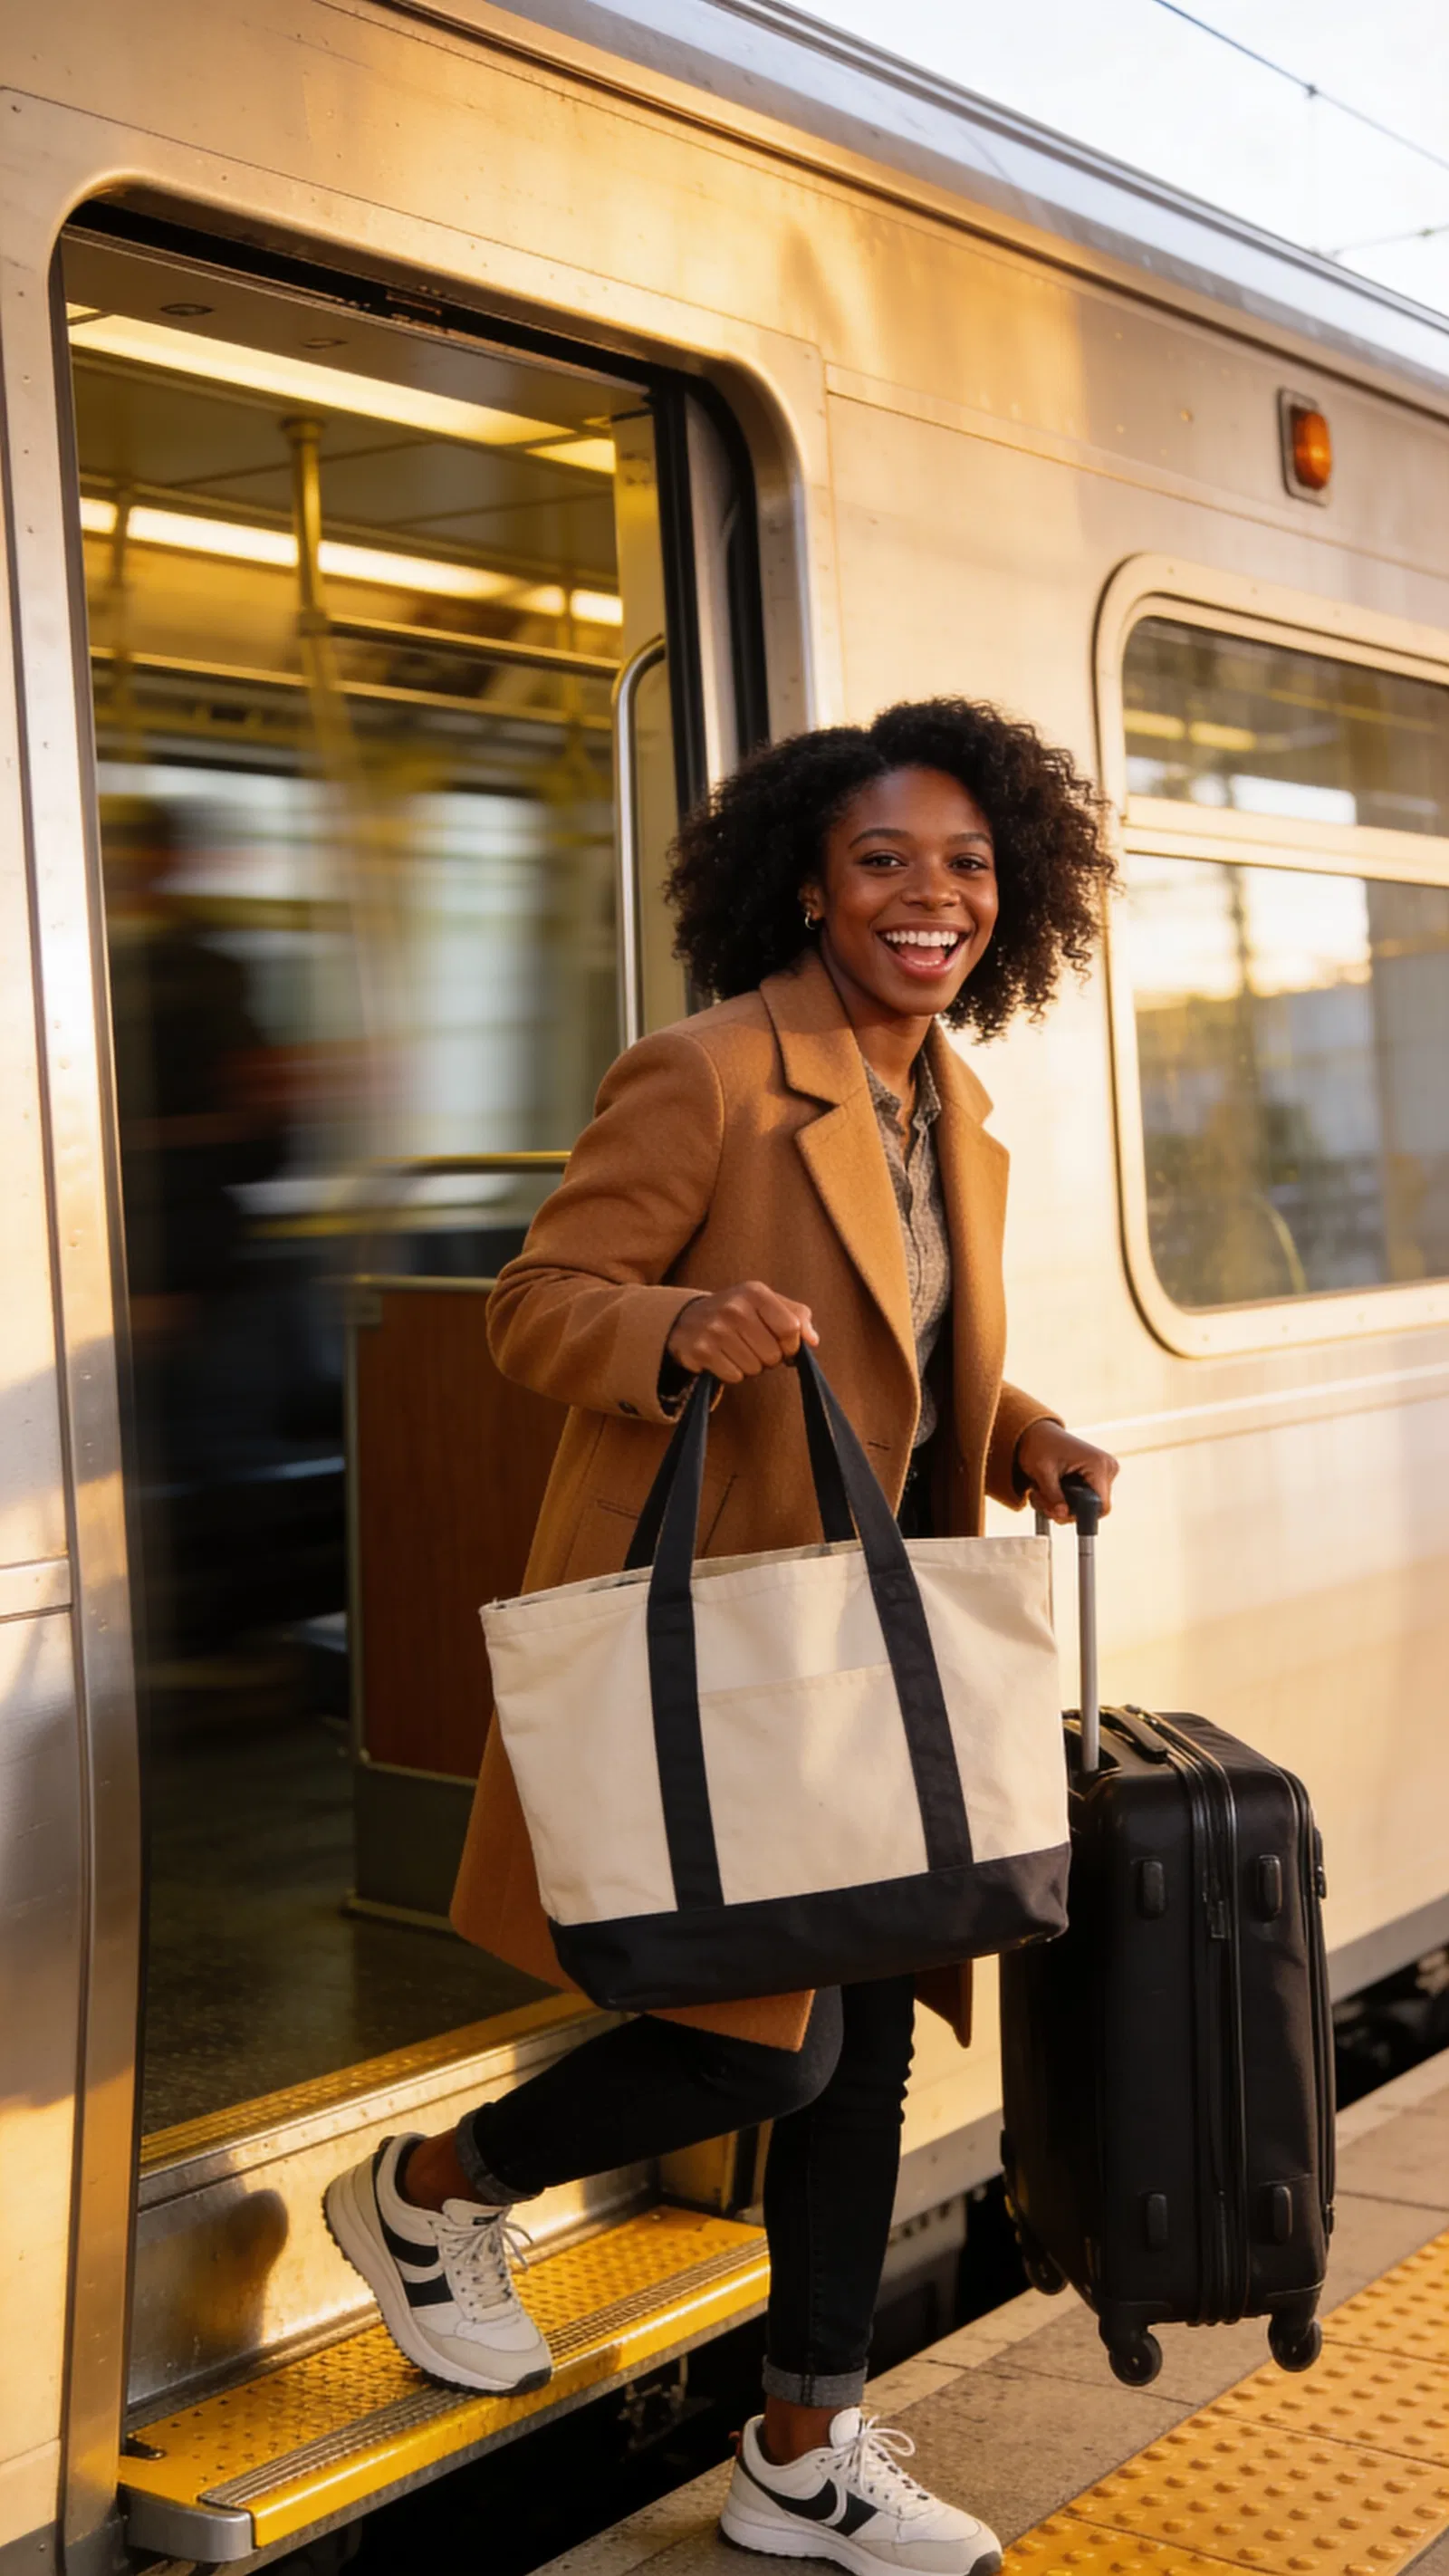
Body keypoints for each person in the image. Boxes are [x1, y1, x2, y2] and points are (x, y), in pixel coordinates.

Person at [326, 699, 1120, 2575]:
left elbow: (907, 1363)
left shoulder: (951, 1098)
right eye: (882, 864)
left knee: (871, 2049)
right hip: (732, 1635)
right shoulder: (703, 1069)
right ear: (802, 883)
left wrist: (1023, 1435)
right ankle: (433, 2194)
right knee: (766, 2056)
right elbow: (537, 1307)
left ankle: (802, 2449)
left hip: (871, 1640)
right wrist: (664, 1328)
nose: (930, 900)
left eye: (967, 868)